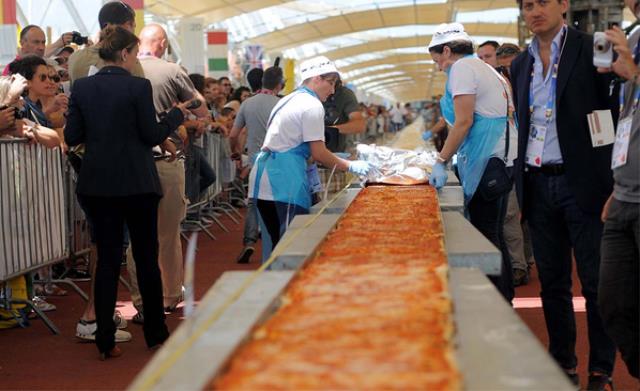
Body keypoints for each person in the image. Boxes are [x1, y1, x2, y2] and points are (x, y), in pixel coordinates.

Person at [510, 0, 617, 387]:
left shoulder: (596, 44)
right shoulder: (520, 64)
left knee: (595, 283)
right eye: (527, 6)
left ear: (564, 5)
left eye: (543, 2)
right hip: (537, 183)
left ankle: (601, 369)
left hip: (584, 181)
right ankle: (563, 365)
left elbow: (616, 109)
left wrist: (613, 176)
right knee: (553, 284)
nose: (534, 11)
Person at [64, 26, 187, 360]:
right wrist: (176, 114)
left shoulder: (82, 88)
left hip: (97, 184)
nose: (136, 60)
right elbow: (151, 135)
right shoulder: (138, 87)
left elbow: (72, 134)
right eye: (134, 54)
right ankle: (156, 334)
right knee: (146, 258)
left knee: (106, 260)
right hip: (136, 184)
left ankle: (105, 338)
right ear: (124, 54)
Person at [427, 23, 517, 303]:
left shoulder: (464, 69)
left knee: (485, 239)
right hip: (500, 160)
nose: (439, 67)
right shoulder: (485, 68)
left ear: (446, 50)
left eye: (437, 60)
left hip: (486, 162)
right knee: (495, 234)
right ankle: (506, 296)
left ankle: (492, 307)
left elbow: (464, 120)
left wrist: (441, 159)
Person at [249, 56, 374, 256]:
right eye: (331, 83)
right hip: (283, 182)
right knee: (291, 250)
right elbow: (319, 152)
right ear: (316, 79)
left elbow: (294, 145)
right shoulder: (312, 105)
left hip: (263, 179)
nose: (333, 90)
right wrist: (349, 165)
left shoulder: (288, 99)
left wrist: (329, 157)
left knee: (273, 246)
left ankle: (270, 285)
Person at [127, 23, 209, 323]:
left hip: (133, 163)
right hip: (166, 158)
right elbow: (201, 109)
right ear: (161, 43)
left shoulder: (127, 71)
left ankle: (140, 300)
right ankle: (170, 295)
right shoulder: (172, 70)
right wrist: (178, 108)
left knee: (137, 236)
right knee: (168, 234)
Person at [68, 0, 138, 344]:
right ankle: (94, 317)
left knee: (102, 244)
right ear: (125, 27)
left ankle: (98, 315)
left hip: (87, 164)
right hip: (120, 168)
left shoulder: (77, 60)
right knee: (109, 248)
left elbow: (74, 125)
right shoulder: (128, 64)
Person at [596, 0, 640, 380]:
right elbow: (626, 115)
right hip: (624, 194)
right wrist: (617, 181)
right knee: (612, 302)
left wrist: (635, 75)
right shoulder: (634, 37)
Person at [229, 66, 284, 263]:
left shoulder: (247, 104)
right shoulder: (282, 104)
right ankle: (277, 248)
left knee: (253, 202)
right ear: (280, 84)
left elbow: (234, 134)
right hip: (279, 163)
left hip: (255, 163)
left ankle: (250, 242)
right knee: (277, 205)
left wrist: (235, 152)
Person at [323, 78, 366, 152]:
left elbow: (359, 125)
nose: (332, 91)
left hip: (334, 150)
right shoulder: (305, 95)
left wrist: (329, 130)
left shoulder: (344, 94)